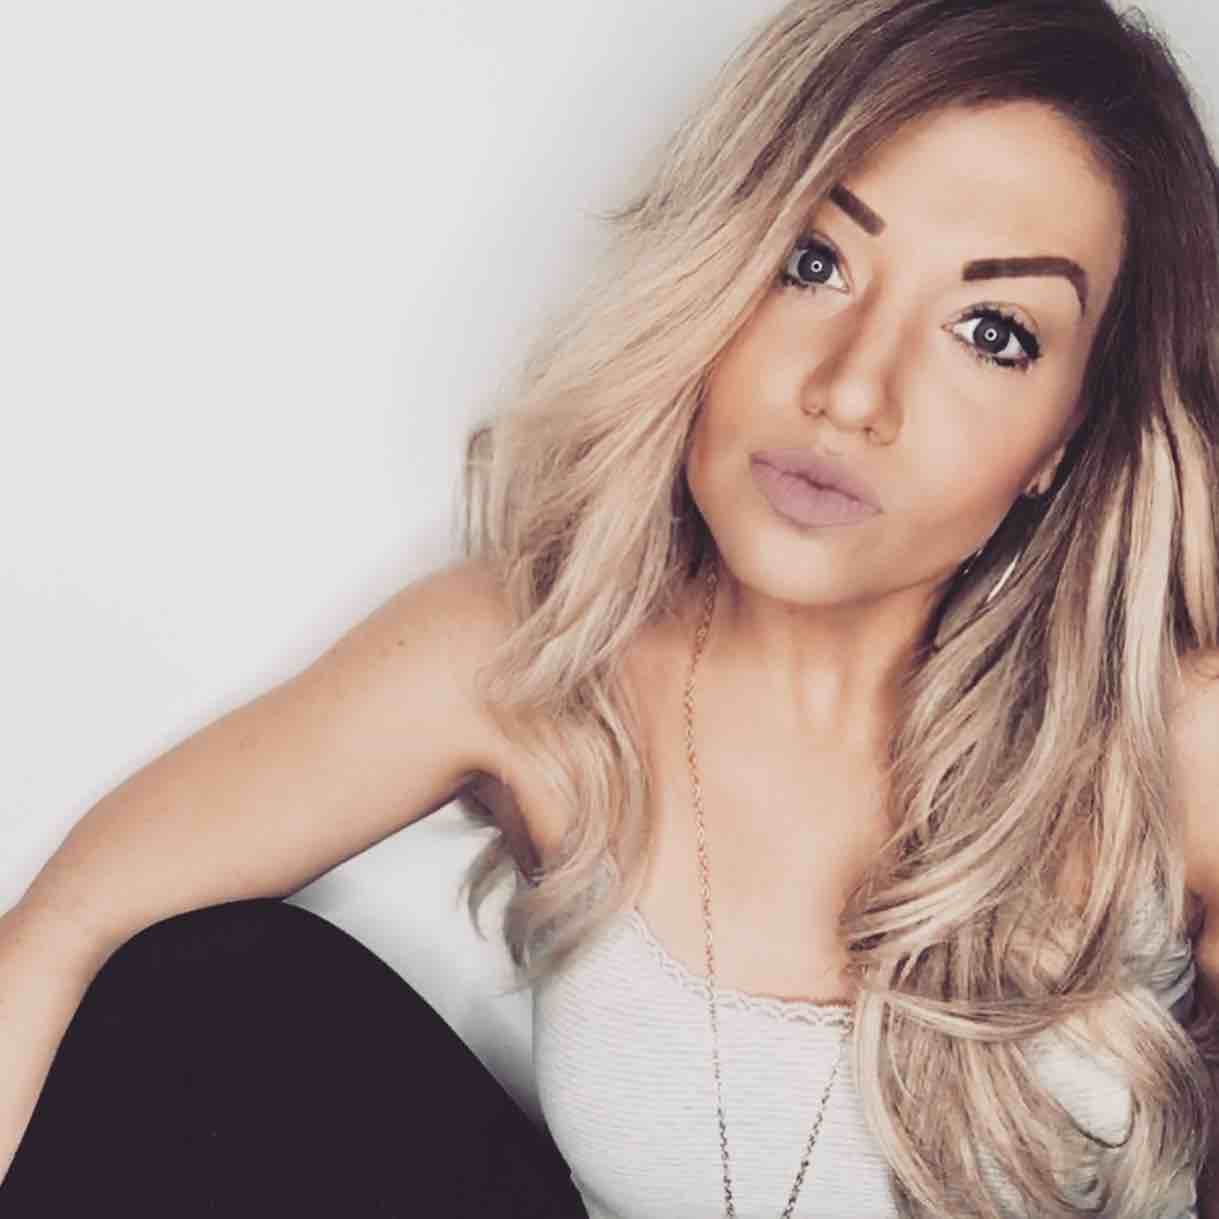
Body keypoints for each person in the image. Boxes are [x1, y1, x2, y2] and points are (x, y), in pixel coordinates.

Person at [4, 0, 1219, 1215]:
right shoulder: (531, 661)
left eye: (991, 332)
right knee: (213, 989)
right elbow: (68, 927)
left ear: (1066, 435)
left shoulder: (1175, 744)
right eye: (812, 262)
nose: (853, 391)